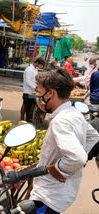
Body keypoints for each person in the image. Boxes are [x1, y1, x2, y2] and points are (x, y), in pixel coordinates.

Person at [29, 68, 99, 214]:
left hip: (49, 196)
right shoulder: (74, 113)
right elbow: (93, 136)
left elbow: (77, 157)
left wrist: (59, 169)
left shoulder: (61, 121)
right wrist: (72, 164)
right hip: (63, 191)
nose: (38, 96)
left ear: (51, 93)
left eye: (40, 92)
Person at [20, 57, 45, 122]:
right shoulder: (29, 70)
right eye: (40, 65)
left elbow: (35, 80)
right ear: (37, 63)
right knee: (25, 105)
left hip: (33, 91)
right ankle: (22, 119)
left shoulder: (35, 70)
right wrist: (35, 88)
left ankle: (28, 119)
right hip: (27, 91)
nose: (41, 67)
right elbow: (28, 81)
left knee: (30, 106)